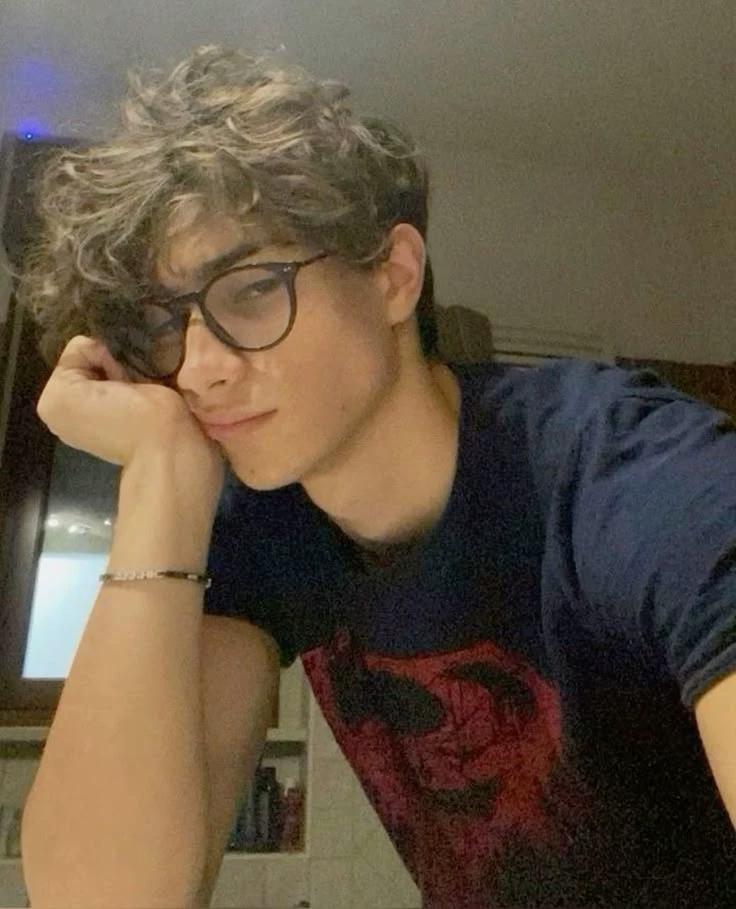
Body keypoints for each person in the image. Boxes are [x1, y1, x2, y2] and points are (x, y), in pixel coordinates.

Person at [16, 45, 736, 909]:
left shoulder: (632, 474)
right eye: (165, 322)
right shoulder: (267, 527)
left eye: (252, 289)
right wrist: (161, 475)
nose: (198, 369)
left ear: (393, 276)